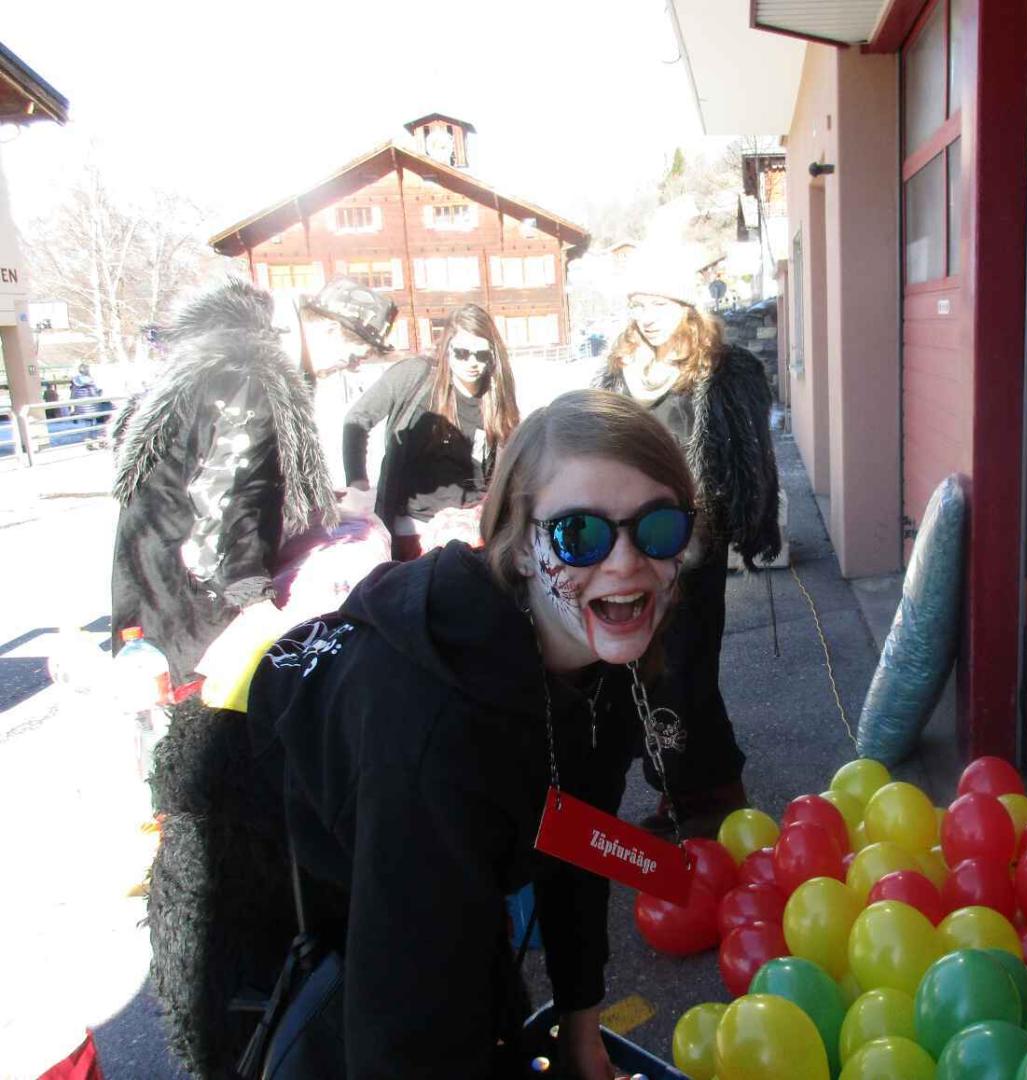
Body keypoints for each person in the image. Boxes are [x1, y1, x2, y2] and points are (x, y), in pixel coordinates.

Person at [220, 389, 694, 1076]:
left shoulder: (602, 644)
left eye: (659, 527)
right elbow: (405, 1028)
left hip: (417, 828)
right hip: (262, 833)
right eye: (580, 535)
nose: (625, 562)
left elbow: (578, 844)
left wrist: (581, 1028)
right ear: (521, 547)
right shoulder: (435, 729)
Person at [110, 276, 395, 684]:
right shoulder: (250, 372)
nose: (350, 368)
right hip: (185, 596)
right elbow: (224, 498)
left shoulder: (230, 353)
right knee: (204, 702)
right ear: (331, 330)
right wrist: (253, 598)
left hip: (158, 563)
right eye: (353, 356)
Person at [599, 248, 781, 837]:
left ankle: (688, 796)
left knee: (684, 674)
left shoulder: (723, 370)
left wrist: (754, 524)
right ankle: (705, 788)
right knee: (645, 673)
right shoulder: (616, 371)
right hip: (627, 549)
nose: (647, 315)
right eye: (638, 303)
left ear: (686, 305)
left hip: (692, 550)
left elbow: (752, 456)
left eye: (659, 302)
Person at [341, 303, 520, 559]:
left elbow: (510, 459)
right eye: (462, 353)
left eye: (482, 355)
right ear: (447, 349)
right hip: (411, 529)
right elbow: (357, 420)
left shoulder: (496, 395)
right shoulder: (415, 376)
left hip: (471, 530)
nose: (472, 362)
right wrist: (357, 482)